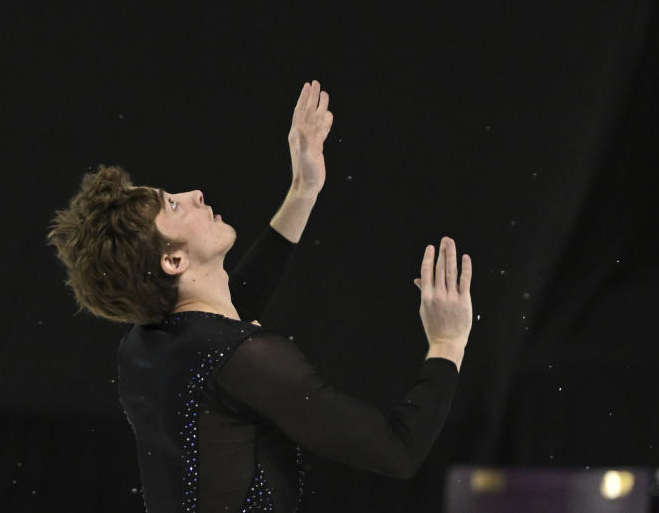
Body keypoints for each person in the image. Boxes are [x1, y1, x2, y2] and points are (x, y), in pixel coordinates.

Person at [47, 81, 473, 512]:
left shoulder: (145, 348)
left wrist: (303, 190)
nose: (194, 194)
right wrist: (447, 342)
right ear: (173, 261)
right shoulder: (244, 361)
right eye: (174, 207)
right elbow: (396, 451)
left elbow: (229, 314)